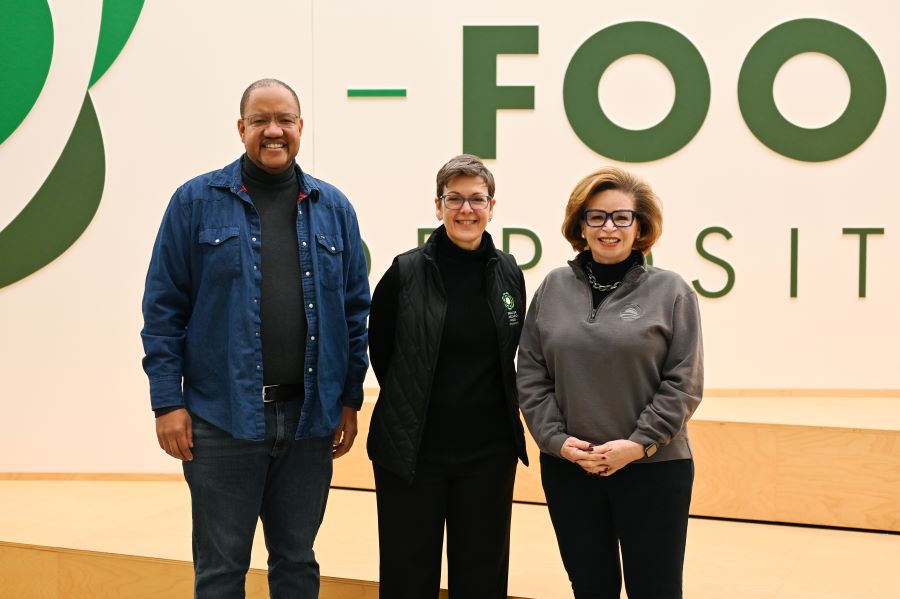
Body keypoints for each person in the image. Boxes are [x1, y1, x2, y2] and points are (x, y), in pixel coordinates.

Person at [140, 78, 370, 599]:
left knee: (296, 563)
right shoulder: (195, 202)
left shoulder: (334, 208)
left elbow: (355, 314)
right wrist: (167, 403)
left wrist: (349, 400)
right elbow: (163, 310)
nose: (274, 131)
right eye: (261, 121)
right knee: (221, 570)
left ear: (300, 128)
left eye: (285, 120)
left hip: (310, 419)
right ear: (241, 127)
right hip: (221, 419)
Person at [516, 167, 703, 599]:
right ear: (580, 225)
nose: (608, 228)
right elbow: (531, 372)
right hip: (571, 468)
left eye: (621, 217)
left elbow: (684, 381)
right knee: (590, 588)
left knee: (654, 590)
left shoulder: (672, 291)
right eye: (596, 217)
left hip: (653, 469)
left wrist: (638, 444)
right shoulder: (553, 287)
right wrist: (557, 441)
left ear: (641, 226)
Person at [366, 154, 528, 598]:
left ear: (492, 206)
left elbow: (511, 351)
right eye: (454, 198)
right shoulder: (405, 271)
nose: (466, 210)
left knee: (482, 577)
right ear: (437, 206)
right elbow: (381, 350)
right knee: (407, 575)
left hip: (488, 454)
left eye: (477, 199)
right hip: (414, 451)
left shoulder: (509, 272)